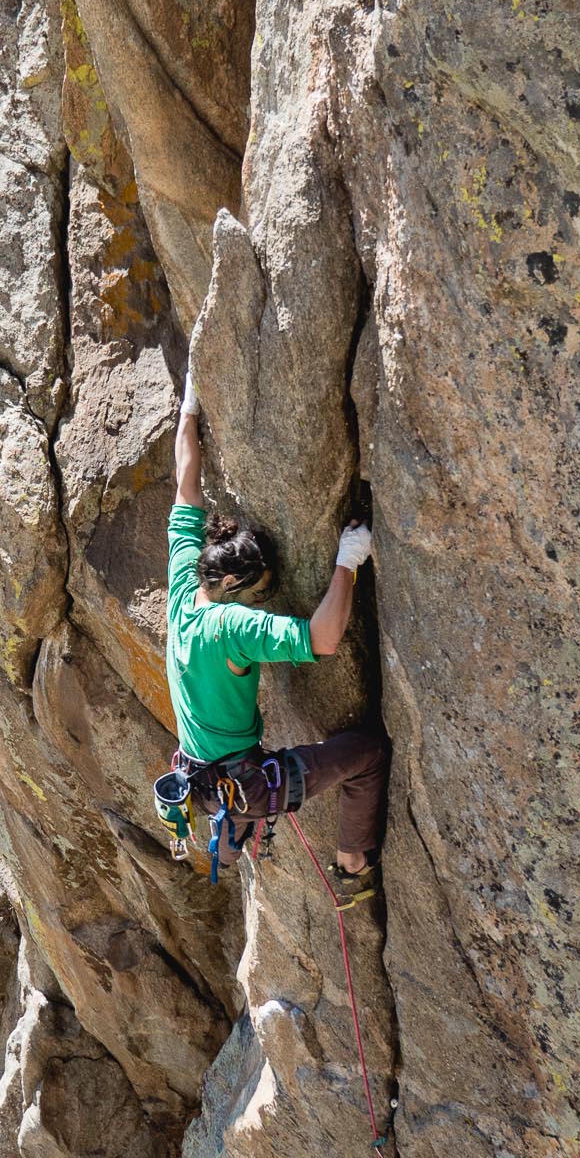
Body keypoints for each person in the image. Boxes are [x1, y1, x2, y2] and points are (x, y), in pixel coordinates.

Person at [164, 368, 387, 905]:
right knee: (369, 753)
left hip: (201, 776)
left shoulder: (182, 581)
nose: (263, 598)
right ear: (237, 584)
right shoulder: (235, 626)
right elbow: (324, 637)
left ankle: (232, 836)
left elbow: (185, 479)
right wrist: (347, 563)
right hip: (247, 785)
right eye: (260, 590)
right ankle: (352, 864)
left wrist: (191, 401)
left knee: (241, 792)